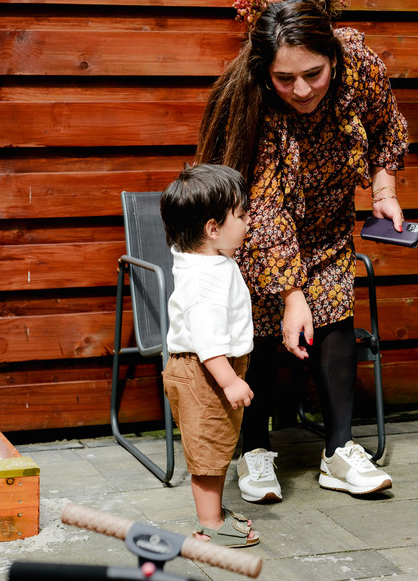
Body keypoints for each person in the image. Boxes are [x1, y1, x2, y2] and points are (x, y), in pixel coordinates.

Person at [197, 0, 408, 501]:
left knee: (334, 305)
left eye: (314, 73)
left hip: (328, 217)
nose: (302, 89)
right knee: (264, 317)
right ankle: (253, 451)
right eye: (285, 78)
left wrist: (384, 192)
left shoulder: (361, 64)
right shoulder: (252, 99)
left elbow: (385, 127)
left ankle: (338, 452)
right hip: (251, 224)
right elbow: (264, 206)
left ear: (333, 55)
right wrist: (292, 293)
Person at [159, 163, 259, 547]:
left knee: (216, 443)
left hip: (209, 370)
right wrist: (229, 379)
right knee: (207, 448)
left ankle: (212, 514)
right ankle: (209, 527)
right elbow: (207, 338)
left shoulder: (208, 261)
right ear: (213, 228)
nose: (248, 222)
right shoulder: (204, 279)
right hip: (205, 371)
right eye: (242, 215)